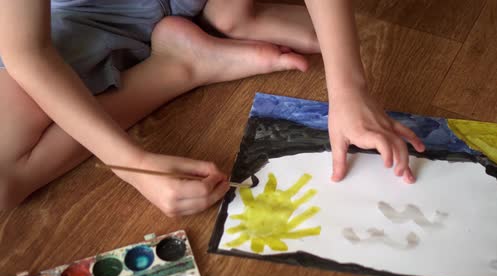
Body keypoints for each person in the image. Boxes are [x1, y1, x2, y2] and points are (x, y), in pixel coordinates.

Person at [0, 0, 425, 216]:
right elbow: (26, 51)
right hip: (90, 13)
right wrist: (131, 164)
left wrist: (348, 89)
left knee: (340, 38)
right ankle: (179, 65)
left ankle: (231, 15)